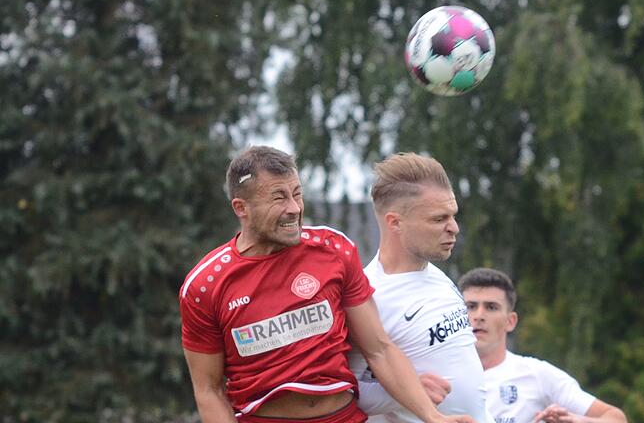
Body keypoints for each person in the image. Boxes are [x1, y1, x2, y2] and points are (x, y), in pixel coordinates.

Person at [179, 146, 476, 423]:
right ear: (241, 208)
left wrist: (433, 417)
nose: (294, 208)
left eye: (298, 194)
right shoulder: (205, 285)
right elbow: (209, 390)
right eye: (279, 198)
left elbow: (379, 350)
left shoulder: (334, 250)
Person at [348, 152, 491, 422]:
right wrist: (408, 391)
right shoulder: (366, 297)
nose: (454, 228)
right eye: (439, 219)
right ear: (395, 223)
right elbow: (347, 393)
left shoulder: (438, 274)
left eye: (453, 216)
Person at [458, 268, 628, 423]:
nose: (479, 315)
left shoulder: (536, 374)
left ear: (510, 321)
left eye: (491, 307)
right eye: (471, 306)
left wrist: (576, 420)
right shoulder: (438, 373)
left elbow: (616, 419)